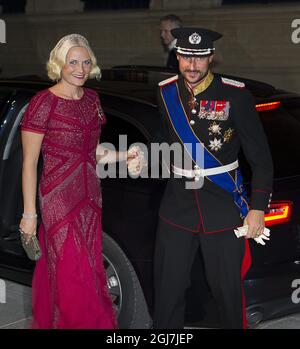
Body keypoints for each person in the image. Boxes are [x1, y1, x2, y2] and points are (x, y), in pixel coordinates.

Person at [152, 27, 273, 329]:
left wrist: (257, 208)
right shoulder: (166, 91)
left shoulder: (236, 95)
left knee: (227, 293)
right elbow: (168, 143)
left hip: (222, 208)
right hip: (177, 206)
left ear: (211, 58)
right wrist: (145, 157)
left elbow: (261, 159)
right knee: (167, 291)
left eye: (200, 58)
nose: (192, 66)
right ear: (177, 56)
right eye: (186, 58)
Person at [19, 34, 138, 329]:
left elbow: (92, 153)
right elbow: (29, 163)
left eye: (86, 62)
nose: (80, 69)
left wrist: (125, 155)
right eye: (73, 62)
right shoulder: (43, 103)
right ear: (59, 64)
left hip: (90, 199)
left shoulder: (92, 100)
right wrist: (29, 214)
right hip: (58, 200)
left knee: (88, 273)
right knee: (71, 278)